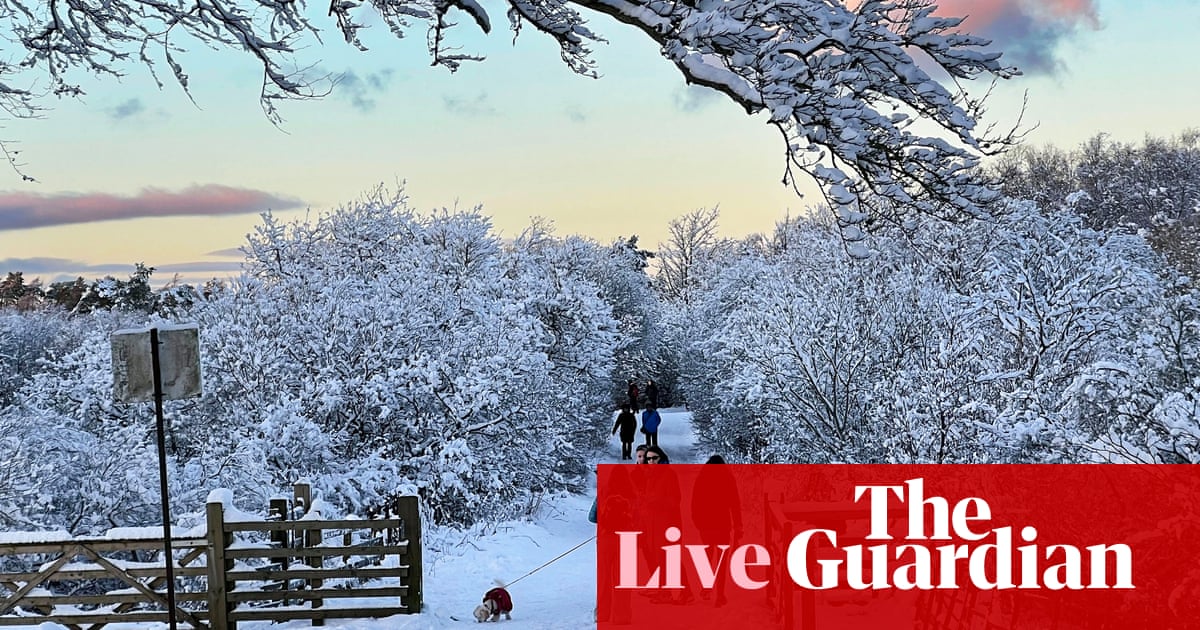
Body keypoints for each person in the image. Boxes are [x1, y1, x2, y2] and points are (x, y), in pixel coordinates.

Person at [690, 455, 743, 607]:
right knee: (721, 560)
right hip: (723, 524)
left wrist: (697, 522)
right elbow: (735, 503)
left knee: (707, 555)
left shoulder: (702, 477)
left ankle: (706, 587)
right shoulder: (727, 478)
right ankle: (720, 594)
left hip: (705, 524)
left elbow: (695, 502)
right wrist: (738, 525)